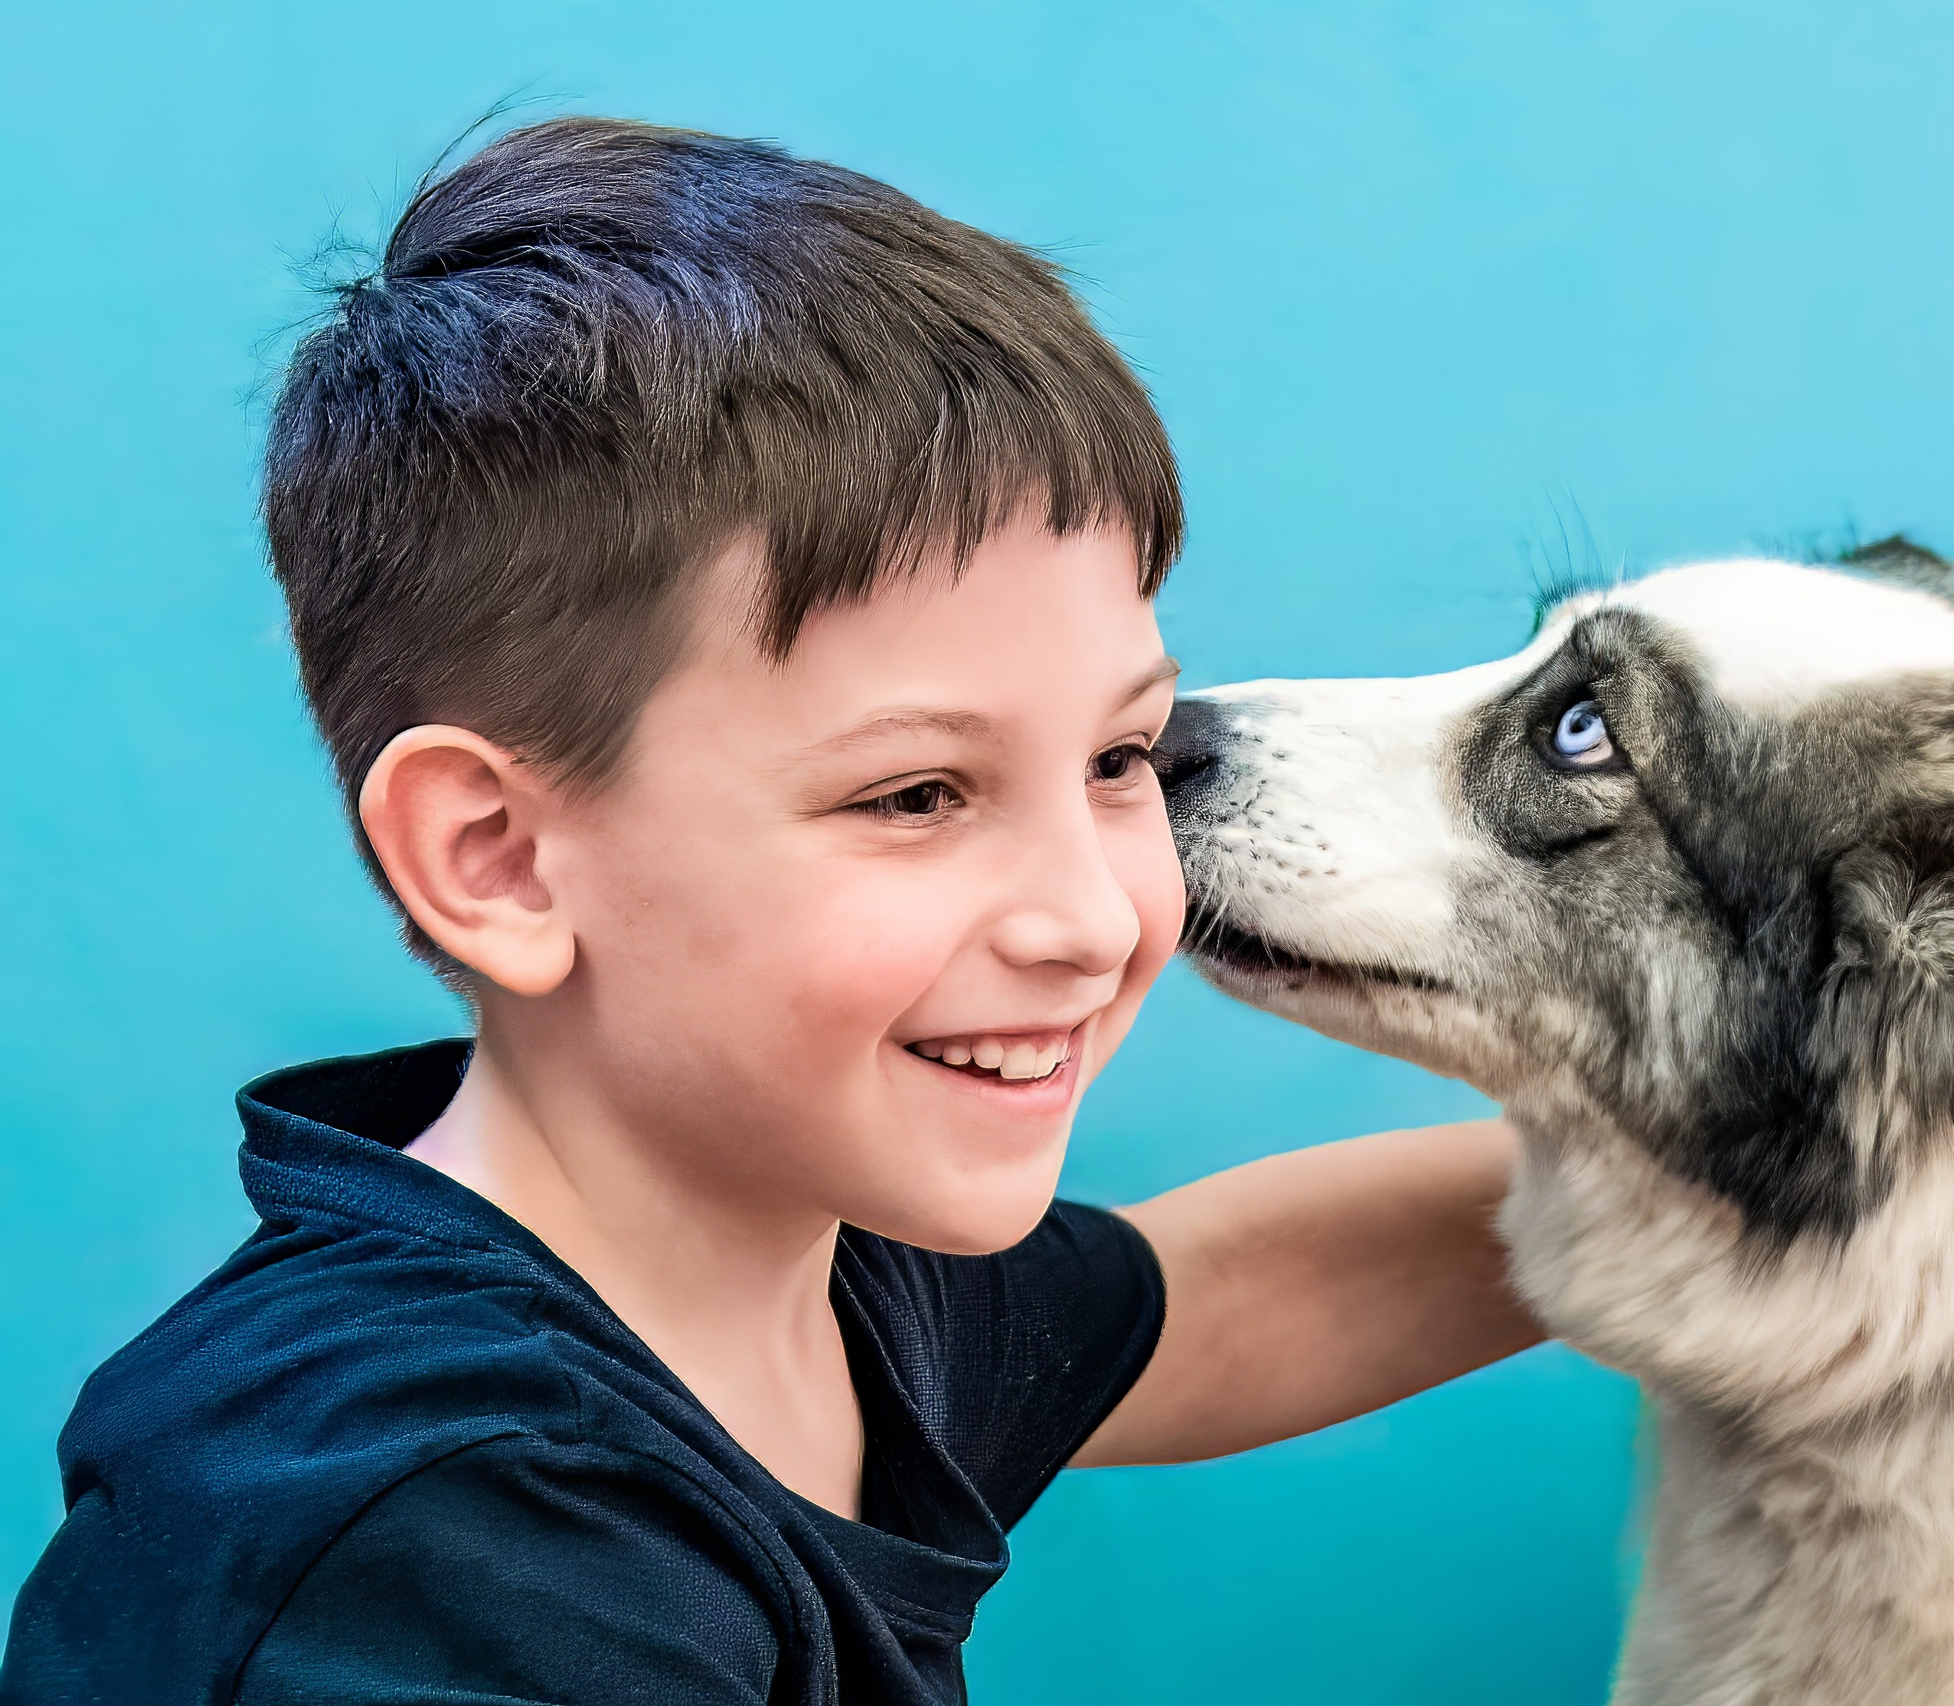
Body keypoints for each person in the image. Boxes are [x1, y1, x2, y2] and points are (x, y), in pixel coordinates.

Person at [0, 117, 1538, 1704]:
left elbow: (1211, 1306)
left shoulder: (803, 1255)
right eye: (916, 796)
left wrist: (1722, 1159)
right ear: (498, 857)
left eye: (1120, 758)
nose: (1090, 915)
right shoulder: (441, 1544)